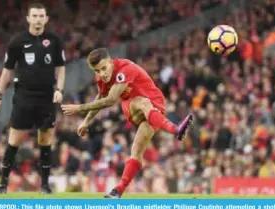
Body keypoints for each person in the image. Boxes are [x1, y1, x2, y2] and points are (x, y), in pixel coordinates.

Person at [61, 48, 193, 198]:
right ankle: (176, 129)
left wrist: (80, 108)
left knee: (136, 152)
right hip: (133, 105)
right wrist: (86, 121)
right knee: (143, 102)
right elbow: (102, 98)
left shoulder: (125, 69)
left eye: (104, 68)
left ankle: (118, 190)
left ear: (111, 62)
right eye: (97, 71)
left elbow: (110, 100)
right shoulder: (101, 79)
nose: (102, 74)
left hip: (156, 108)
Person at [0, 3, 66, 194]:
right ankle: (3, 183)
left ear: (46, 19)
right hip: (24, 96)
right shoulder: (17, 41)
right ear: (28, 18)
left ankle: (45, 185)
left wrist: (60, 89)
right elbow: (7, 71)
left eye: (42, 16)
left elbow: (61, 67)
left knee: (45, 139)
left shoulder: (54, 40)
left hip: (47, 96)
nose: (38, 19)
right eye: (35, 16)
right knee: (14, 138)